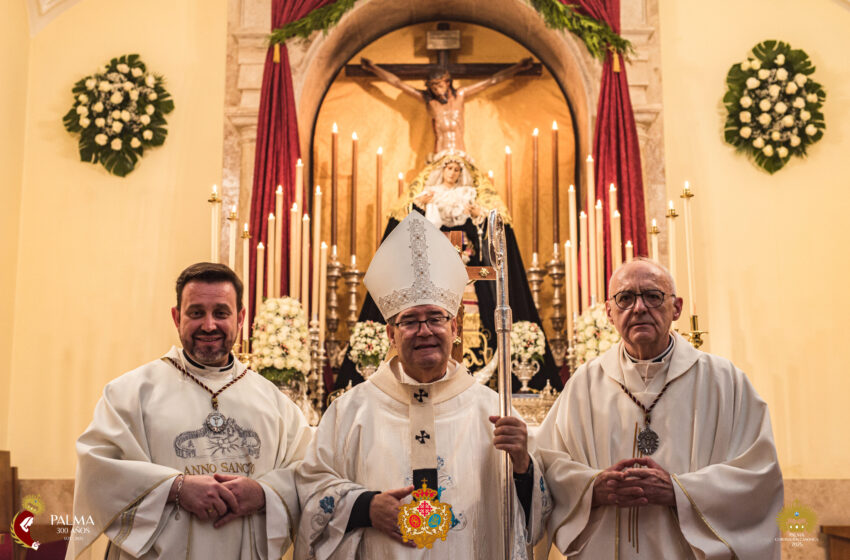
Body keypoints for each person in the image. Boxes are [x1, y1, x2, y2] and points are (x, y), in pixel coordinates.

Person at [295, 212, 551, 559]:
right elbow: (311, 490)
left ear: (455, 328)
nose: (425, 330)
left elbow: (536, 519)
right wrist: (365, 507)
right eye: (410, 321)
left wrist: (522, 463)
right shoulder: (351, 410)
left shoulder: (492, 410)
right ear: (390, 334)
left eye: (435, 318)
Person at [535, 258, 784, 559]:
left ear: (676, 307)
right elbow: (546, 467)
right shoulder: (584, 385)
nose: (639, 307)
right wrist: (591, 489)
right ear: (609, 313)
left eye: (652, 296)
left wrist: (679, 491)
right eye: (625, 298)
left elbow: (759, 476)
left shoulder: (724, 382)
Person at [65, 263, 313, 559]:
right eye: (196, 313)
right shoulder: (131, 394)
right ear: (176, 317)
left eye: (221, 313)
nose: (209, 325)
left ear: (241, 318)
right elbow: (97, 469)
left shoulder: (275, 403)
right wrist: (176, 488)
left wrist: (264, 494)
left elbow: (308, 473)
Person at [335, 152, 562, 391]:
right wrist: (421, 207)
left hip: (470, 283)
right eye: (449, 169)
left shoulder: (468, 198)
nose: (452, 174)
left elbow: (488, 238)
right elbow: (409, 231)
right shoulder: (427, 198)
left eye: (457, 170)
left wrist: (477, 217)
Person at [361, 57, 533, 154]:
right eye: (433, 87)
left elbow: (491, 81)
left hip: (460, 154)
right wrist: (373, 69)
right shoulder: (429, 100)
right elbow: (398, 83)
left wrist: (518, 68)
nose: (437, 90)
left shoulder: (460, 95)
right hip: (439, 155)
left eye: (440, 85)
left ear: (448, 82)